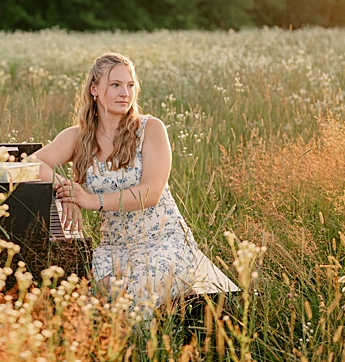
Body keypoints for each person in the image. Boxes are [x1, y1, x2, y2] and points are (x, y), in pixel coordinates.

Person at [32, 53, 238, 313]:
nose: (124, 93)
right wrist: (67, 190)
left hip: (165, 242)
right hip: (114, 246)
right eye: (116, 84)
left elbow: (150, 193)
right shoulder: (77, 136)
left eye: (130, 86)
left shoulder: (150, 129)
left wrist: (90, 200)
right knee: (81, 298)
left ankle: (139, 353)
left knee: (133, 295)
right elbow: (31, 164)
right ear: (94, 89)